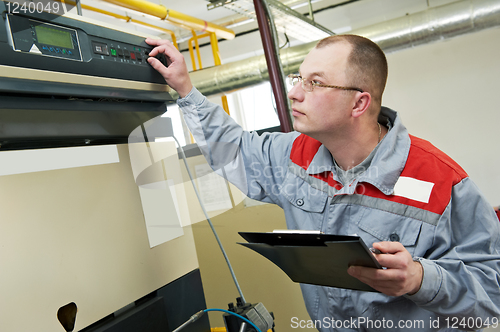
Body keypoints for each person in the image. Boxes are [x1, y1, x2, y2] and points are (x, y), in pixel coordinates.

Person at [145, 35, 500, 331]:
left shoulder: (441, 180)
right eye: (297, 79)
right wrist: (185, 88)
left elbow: (492, 289)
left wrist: (421, 279)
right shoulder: (295, 155)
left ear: (359, 103)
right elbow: (234, 149)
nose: (296, 93)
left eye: (315, 82)